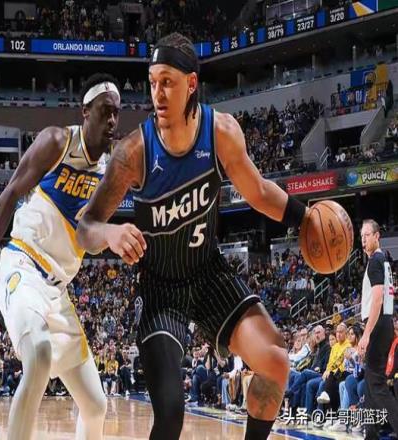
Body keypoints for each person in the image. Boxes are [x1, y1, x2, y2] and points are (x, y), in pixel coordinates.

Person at [77, 32, 310, 440]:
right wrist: (110, 232)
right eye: (152, 82)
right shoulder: (133, 152)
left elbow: (258, 192)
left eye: (167, 82)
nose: (157, 93)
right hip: (160, 290)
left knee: (276, 361)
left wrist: (304, 217)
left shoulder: (221, 131)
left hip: (208, 275)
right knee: (170, 415)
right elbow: (86, 227)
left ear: (191, 84)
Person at [0, 73, 121, 440]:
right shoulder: (58, 141)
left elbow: (90, 241)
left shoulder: (110, 172)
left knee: (96, 404)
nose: (111, 120)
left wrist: (115, 237)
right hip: (22, 265)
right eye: (104, 111)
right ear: (85, 111)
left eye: (116, 113)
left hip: (57, 292)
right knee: (40, 354)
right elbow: (10, 194)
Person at [358, 219, 398, 440]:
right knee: (370, 384)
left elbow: (377, 299)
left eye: (367, 235)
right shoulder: (385, 261)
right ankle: (370, 435)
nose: (363, 240)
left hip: (378, 324)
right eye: (361, 236)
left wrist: (366, 334)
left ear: (377, 236)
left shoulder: (375, 260)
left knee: (377, 384)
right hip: (385, 323)